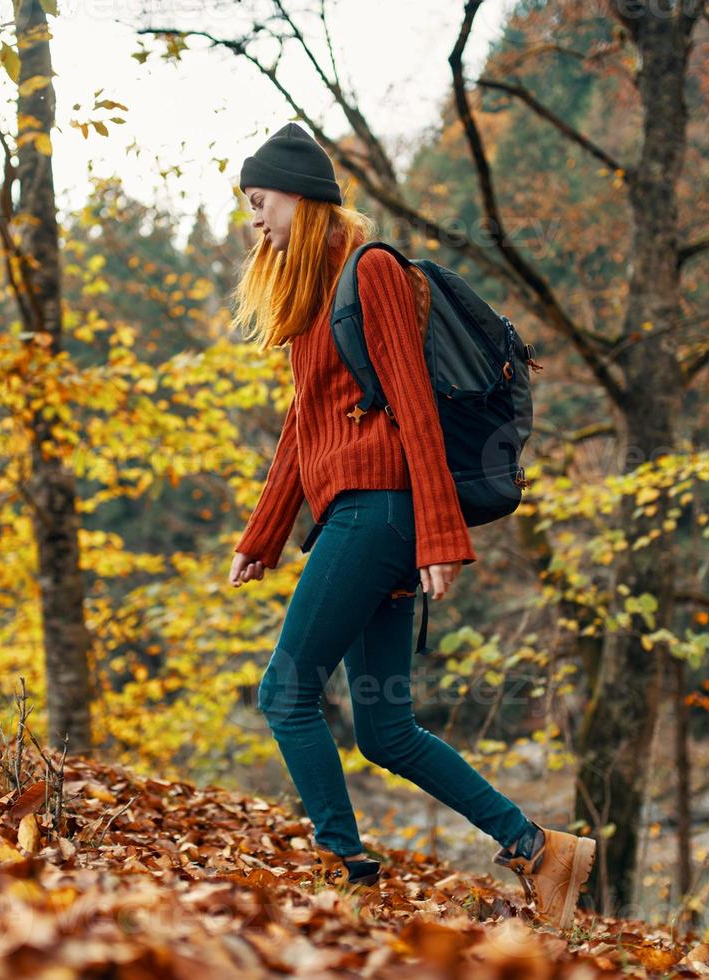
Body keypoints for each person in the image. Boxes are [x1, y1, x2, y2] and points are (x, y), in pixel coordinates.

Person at [225, 121, 594, 927]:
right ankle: (540, 849)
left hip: (382, 515)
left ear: (303, 195)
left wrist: (439, 535)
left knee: (286, 691)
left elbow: (416, 410)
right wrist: (262, 535)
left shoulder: (374, 271)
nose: (256, 221)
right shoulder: (311, 300)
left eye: (261, 203)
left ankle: (342, 864)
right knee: (386, 730)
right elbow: (302, 429)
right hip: (354, 520)